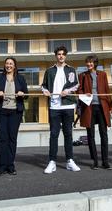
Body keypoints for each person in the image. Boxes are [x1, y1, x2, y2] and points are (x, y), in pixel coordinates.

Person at [42, 46, 80, 174]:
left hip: (68, 105)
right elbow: (43, 86)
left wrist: (67, 91)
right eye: (59, 54)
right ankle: (52, 162)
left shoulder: (71, 70)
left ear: (66, 56)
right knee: (54, 134)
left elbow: (76, 85)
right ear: (56, 56)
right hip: (54, 106)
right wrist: (45, 91)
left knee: (68, 133)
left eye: (63, 54)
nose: (61, 56)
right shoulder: (49, 71)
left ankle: (69, 161)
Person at [0, 57, 28, 176]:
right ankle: (2, 166)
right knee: (3, 139)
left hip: (15, 112)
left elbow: (26, 95)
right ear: (4, 65)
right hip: (1, 112)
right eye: (7, 63)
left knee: (12, 139)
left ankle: (10, 166)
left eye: (11, 64)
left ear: (14, 66)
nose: (8, 65)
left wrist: (22, 94)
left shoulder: (20, 78)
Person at [77, 55, 112, 170]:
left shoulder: (102, 74)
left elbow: (107, 90)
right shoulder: (82, 75)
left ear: (95, 63)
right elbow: (79, 90)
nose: (89, 64)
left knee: (104, 134)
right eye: (87, 62)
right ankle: (95, 161)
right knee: (90, 135)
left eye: (91, 62)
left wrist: (111, 107)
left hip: (102, 107)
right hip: (89, 107)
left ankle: (105, 161)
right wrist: (84, 93)